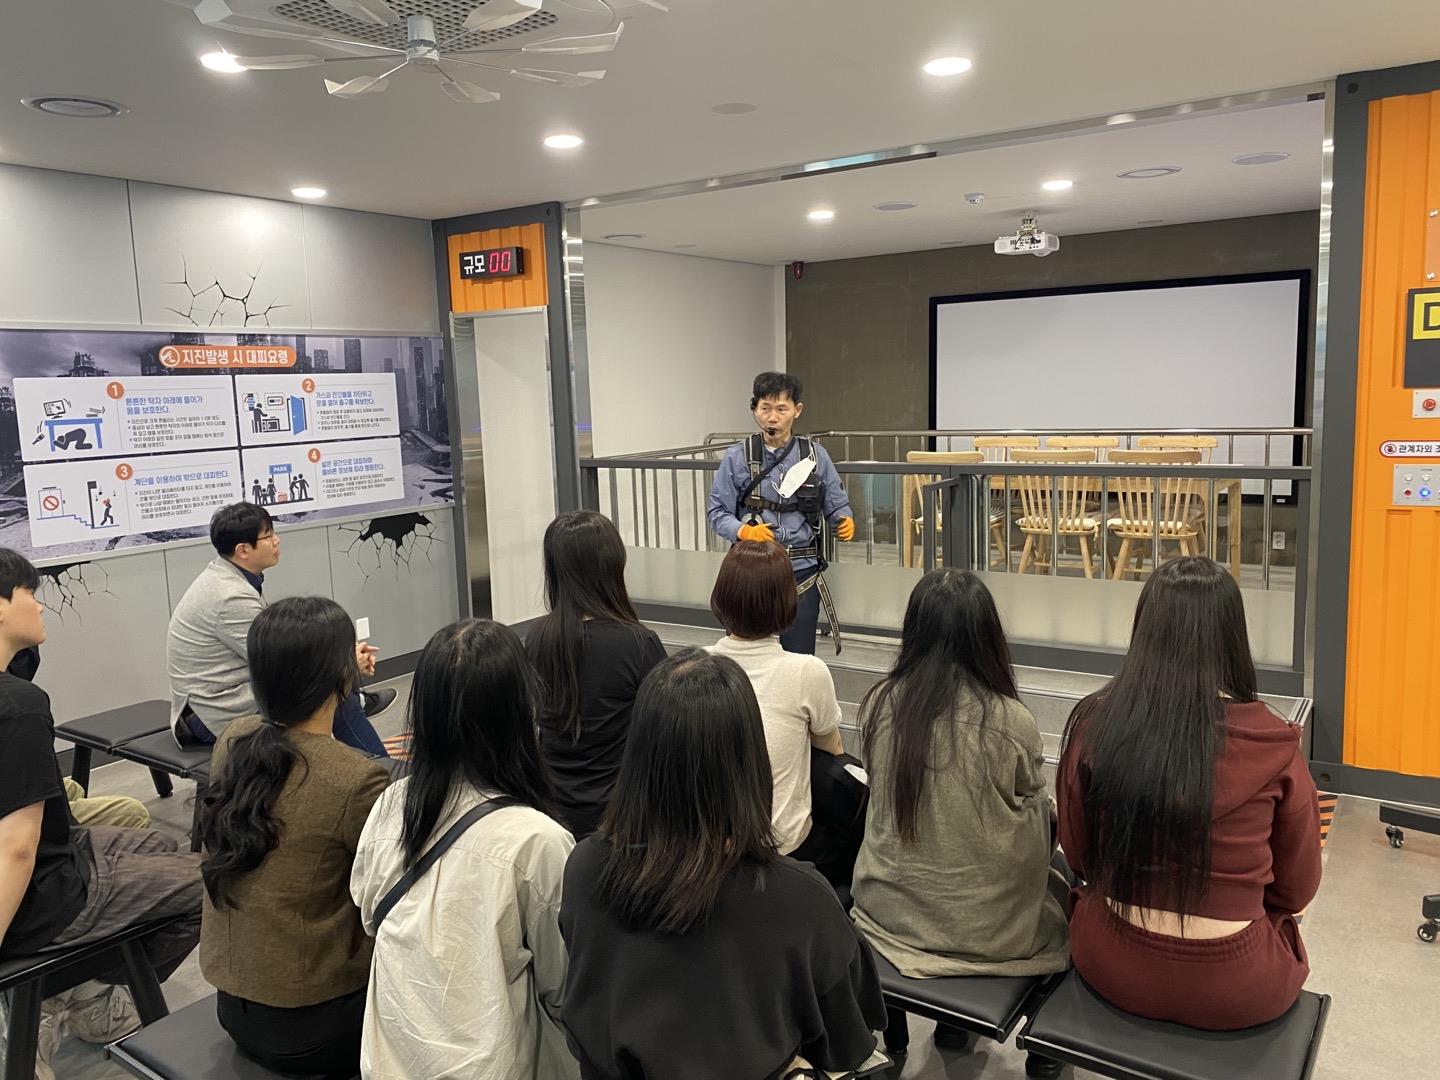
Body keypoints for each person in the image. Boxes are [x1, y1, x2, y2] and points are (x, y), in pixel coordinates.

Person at [560, 651, 886, 1079]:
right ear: (751, 761)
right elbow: (849, 1039)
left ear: (637, 754)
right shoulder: (799, 898)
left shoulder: (584, 869)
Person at [1058, 557, 1322, 1030]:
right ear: (1232, 636)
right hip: (1238, 987)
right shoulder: (1276, 744)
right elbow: (1296, 888)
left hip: (1110, 963)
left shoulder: (1096, 723)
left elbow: (1078, 856)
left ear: (1144, 630)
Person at [850, 569, 1068, 1072]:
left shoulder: (881, 704)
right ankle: (1038, 1053)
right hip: (991, 933)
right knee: (1059, 878)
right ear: (987, 637)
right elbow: (1037, 814)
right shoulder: (1010, 720)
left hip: (888, 913)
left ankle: (945, 1025)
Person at [0, 548, 202, 1080]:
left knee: (157, 843)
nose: (41, 607)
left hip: (58, 855)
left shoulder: (18, 684)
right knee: (219, 882)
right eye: (30, 595)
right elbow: (16, 848)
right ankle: (63, 994)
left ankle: (82, 994)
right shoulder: (17, 705)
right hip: (42, 895)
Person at [351, 620, 577, 1080]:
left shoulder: (392, 805)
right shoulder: (538, 841)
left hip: (388, 1060)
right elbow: (563, 985)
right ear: (521, 712)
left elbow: (370, 915)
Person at [197, 597, 388, 1077]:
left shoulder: (233, 739)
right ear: (343, 675)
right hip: (318, 1025)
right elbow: (393, 891)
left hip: (234, 1008)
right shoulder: (354, 778)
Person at [167, 502, 393, 756]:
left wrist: (343, 662)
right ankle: (380, 771)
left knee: (333, 682)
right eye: (268, 536)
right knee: (328, 693)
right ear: (243, 550)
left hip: (224, 695)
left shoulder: (227, 576)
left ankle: (353, 702)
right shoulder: (230, 597)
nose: (277, 540)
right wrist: (346, 667)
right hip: (215, 712)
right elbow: (281, 664)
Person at [707, 540, 851, 884]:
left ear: (721, 597)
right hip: (786, 850)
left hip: (708, 850)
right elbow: (832, 753)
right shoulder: (807, 672)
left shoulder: (696, 665)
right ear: (788, 601)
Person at [526, 511, 667, 838]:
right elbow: (666, 732)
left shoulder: (536, 638)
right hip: (621, 818)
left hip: (551, 811)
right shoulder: (638, 644)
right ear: (612, 565)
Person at [707, 371, 856, 655]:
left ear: (797, 410)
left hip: (800, 571)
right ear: (754, 408)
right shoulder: (736, 457)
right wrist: (743, 531)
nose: (772, 417)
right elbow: (717, 512)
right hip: (751, 570)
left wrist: (844, 519)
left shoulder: (816, 456)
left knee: (798, 655)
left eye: (781, 409)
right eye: (765, 408)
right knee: (744, 653)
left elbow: (836, 503)